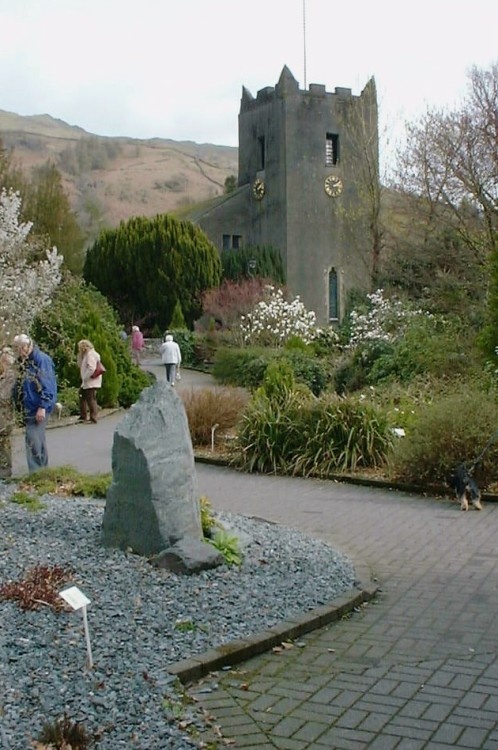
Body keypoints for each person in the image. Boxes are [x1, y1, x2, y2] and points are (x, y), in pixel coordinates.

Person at [12, 334, 57, 473]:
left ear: (29, 345)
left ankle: (36, 473)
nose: (20, 351)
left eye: (22, 347)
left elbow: (48, 385)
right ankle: (42, 473)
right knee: (38, 441)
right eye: (18, 348)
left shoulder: (41, 360)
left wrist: (43, 407)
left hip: (37, 407)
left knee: (33, 441)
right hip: (29, 407)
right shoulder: (24, 362)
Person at [77, 339, 103, 424]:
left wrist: (85, 377)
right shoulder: (91, 354)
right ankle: (83, 415)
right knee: (83, 396)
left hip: (90, 381)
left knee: (90, 399)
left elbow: (91, 368)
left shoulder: (90, 355)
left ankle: (93, 417)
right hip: (90, 381)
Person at [0, 347, 16, 478]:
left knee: (4, 441)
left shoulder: (11, 375)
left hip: (4, 414)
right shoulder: (3, 374)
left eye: (6, 354)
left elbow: (5, 395)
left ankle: (5, 470)